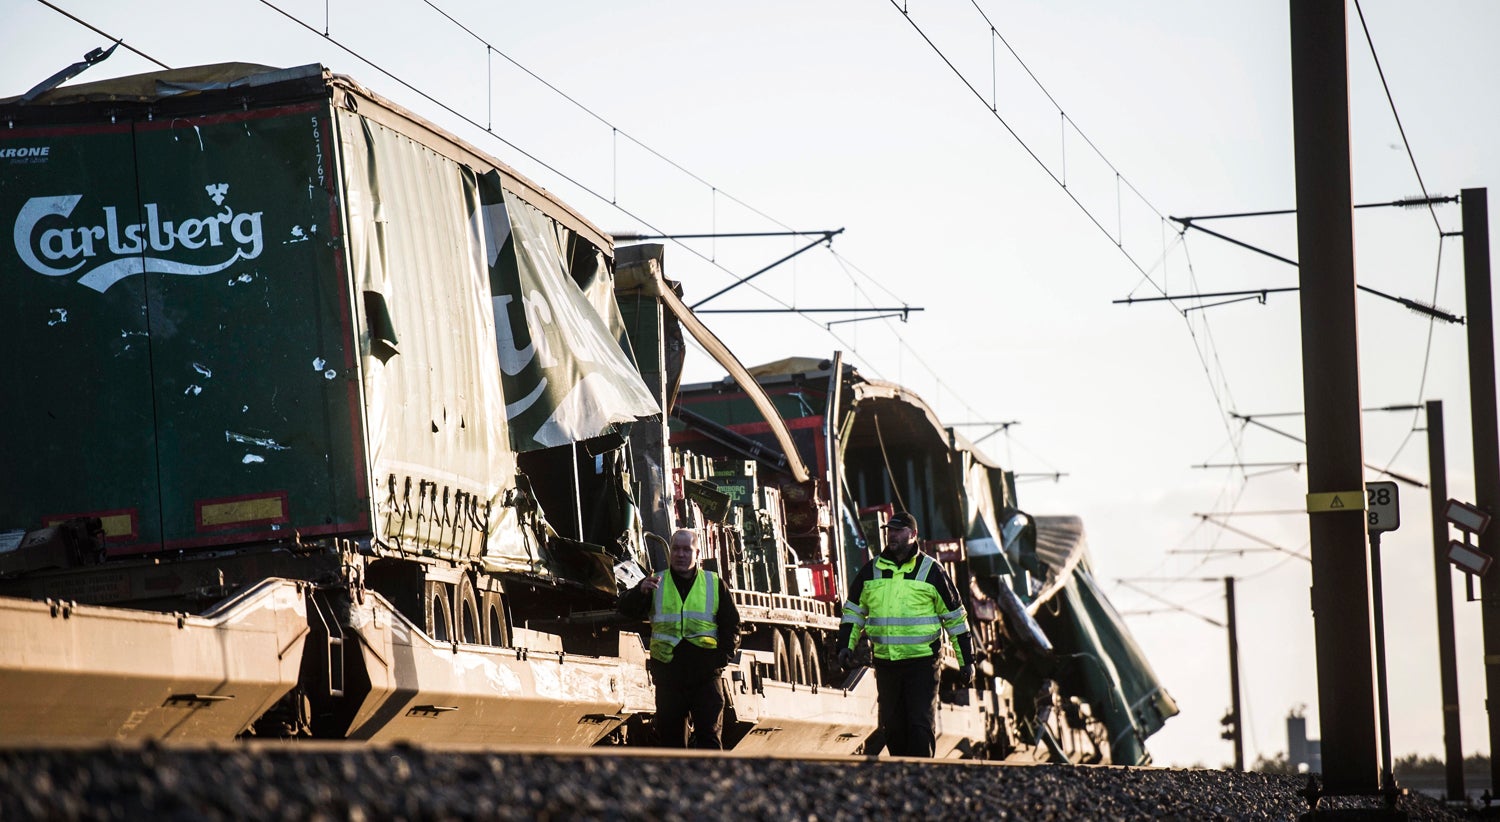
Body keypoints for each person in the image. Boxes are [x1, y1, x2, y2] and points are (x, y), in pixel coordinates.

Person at [836, 511, 974, 758]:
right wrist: (845, 645)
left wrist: (967, 661)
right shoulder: (872, 570)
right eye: (890, 530)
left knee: (919, 727)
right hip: (886, 664)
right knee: (893, 729)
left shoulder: (932, 571)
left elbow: (955, 619)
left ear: (913, 534)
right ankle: (902, 776)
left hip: (923, 664)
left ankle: (921, 774)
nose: (892, 535)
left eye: (898, 531)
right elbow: (854, 612)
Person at [618, 528, 740, 748]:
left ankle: (709, 772)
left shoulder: (714, 583)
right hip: (669, 675)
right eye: (676, 549)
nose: (680, 554)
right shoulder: (656, 582)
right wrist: (639, 591)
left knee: (709, 738)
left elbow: (732, 626)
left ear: (697, 553)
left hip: (705, 675)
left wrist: (719, 661)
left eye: (686, 549)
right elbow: (625, 609)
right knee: (671, 742)